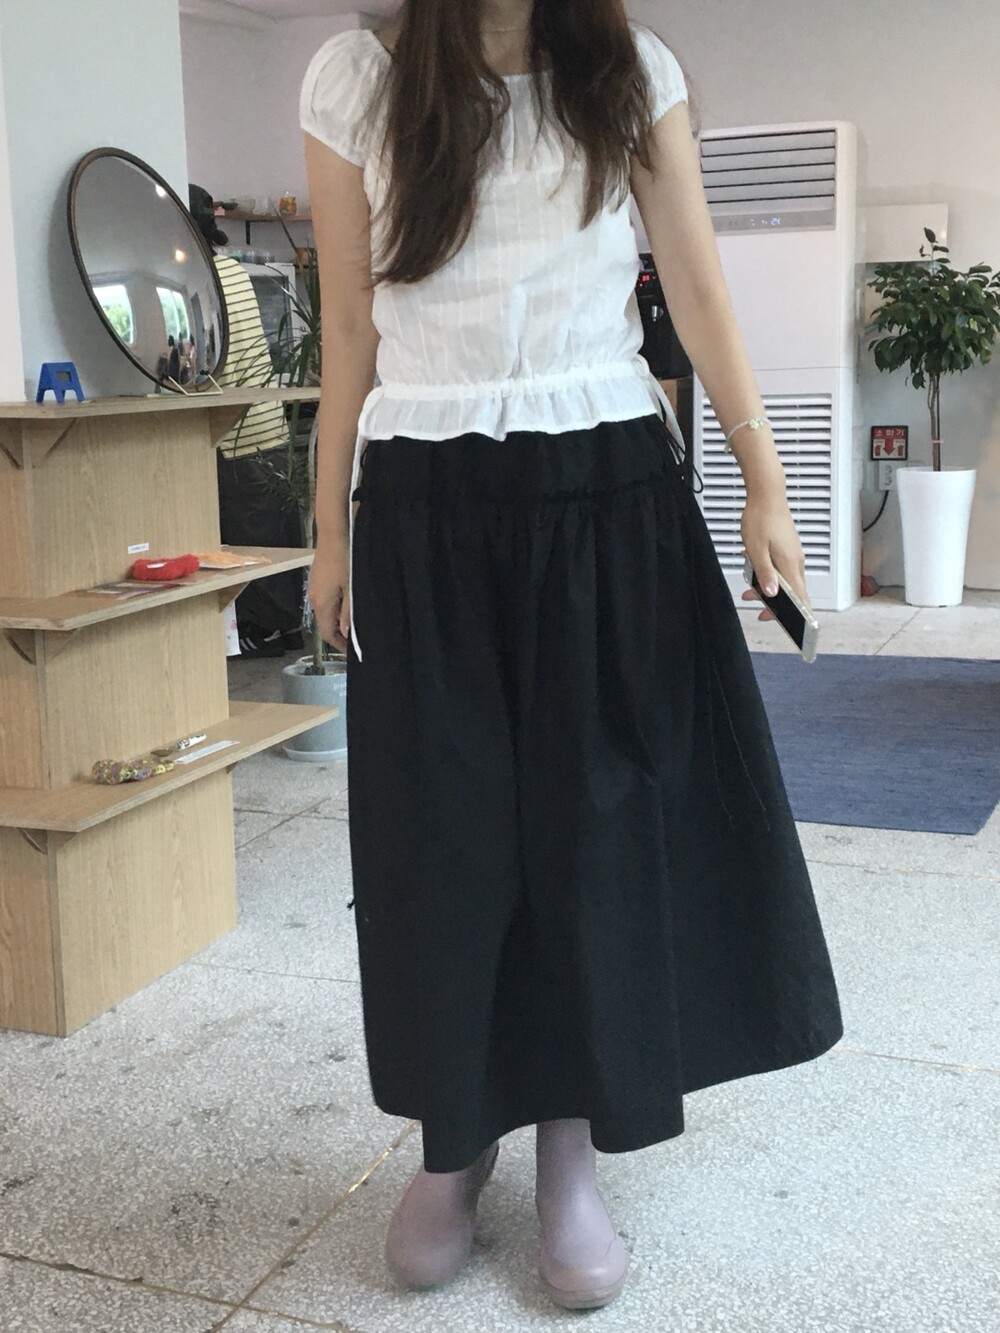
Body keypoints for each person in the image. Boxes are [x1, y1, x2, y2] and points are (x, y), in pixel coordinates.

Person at [300, 0, 843, 1311]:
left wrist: (766, 482)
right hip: (423, 501)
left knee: (592, 833)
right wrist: (325, 537)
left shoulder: (627, 71)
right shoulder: (354, 78)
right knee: (444, 842)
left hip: (604, 492)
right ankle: (455, 1138)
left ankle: (569, 1147)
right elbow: (348, 332)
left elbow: (696, 286)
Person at [188, 184, 305, 657]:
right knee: (276, 535)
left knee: (247, 540)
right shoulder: (233, 270)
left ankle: (264, 633)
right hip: (267, 424)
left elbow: (209, 363)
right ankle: (288, 630)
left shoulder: (198, 278)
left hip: (235, 433)